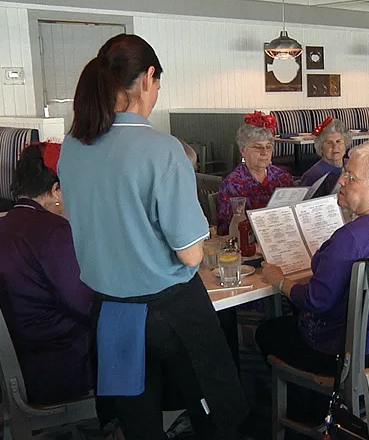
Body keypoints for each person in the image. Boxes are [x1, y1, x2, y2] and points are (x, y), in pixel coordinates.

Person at [59, 34, 247, 439]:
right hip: (172, 311)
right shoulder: (162, 149)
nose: (158, 91)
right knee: (216, 415)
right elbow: (191, 255)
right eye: (159, 82)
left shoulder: (72, 146)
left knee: (138, 427)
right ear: (147, 79)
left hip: (110, 311)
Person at [255, 139, 369, 375]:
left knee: (267, 331)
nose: (341, 180)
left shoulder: (350, 238)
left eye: (351, 177)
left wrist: (279, 281)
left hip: (344, 352)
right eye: (344, 173)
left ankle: (305, 406)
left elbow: (316, 301)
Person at [0, 142, 94, 405]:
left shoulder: (7, 223)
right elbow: (85, 305)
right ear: (55, 190)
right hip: (61, 365)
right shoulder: (52, 231)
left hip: (18, 363)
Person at [217, 121, 293, 235]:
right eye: (258, 147)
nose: (265, 152)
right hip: (249, 242)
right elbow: (225, 228)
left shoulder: (282, 177)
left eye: (269, 147)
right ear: (243, 150)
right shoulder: (232, 184)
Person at [299, 119, 350, 191]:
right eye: (329, 142)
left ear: (345, 144)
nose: (335, 146)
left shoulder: (352, 165)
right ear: (321, 147)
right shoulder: (315, 174)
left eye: (338, 141)